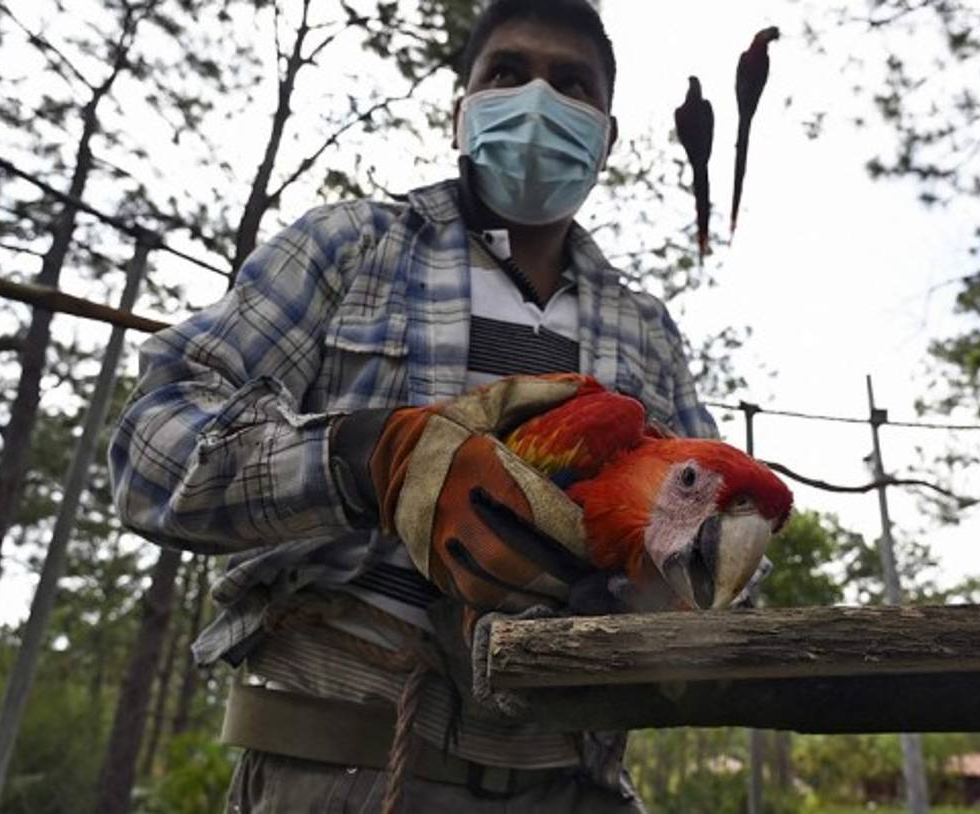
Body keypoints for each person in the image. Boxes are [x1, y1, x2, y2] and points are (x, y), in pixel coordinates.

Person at [109, 0, 717, 810]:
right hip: (340, 763)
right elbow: (150, 450)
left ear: (605, 139)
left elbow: (716, 539)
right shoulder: (348, 247)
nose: (538, 99)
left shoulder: (647, 329)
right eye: (508, 73)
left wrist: (653, 578)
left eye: (571, 84)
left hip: (575, 781)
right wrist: (365, 458)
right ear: (461, 113)